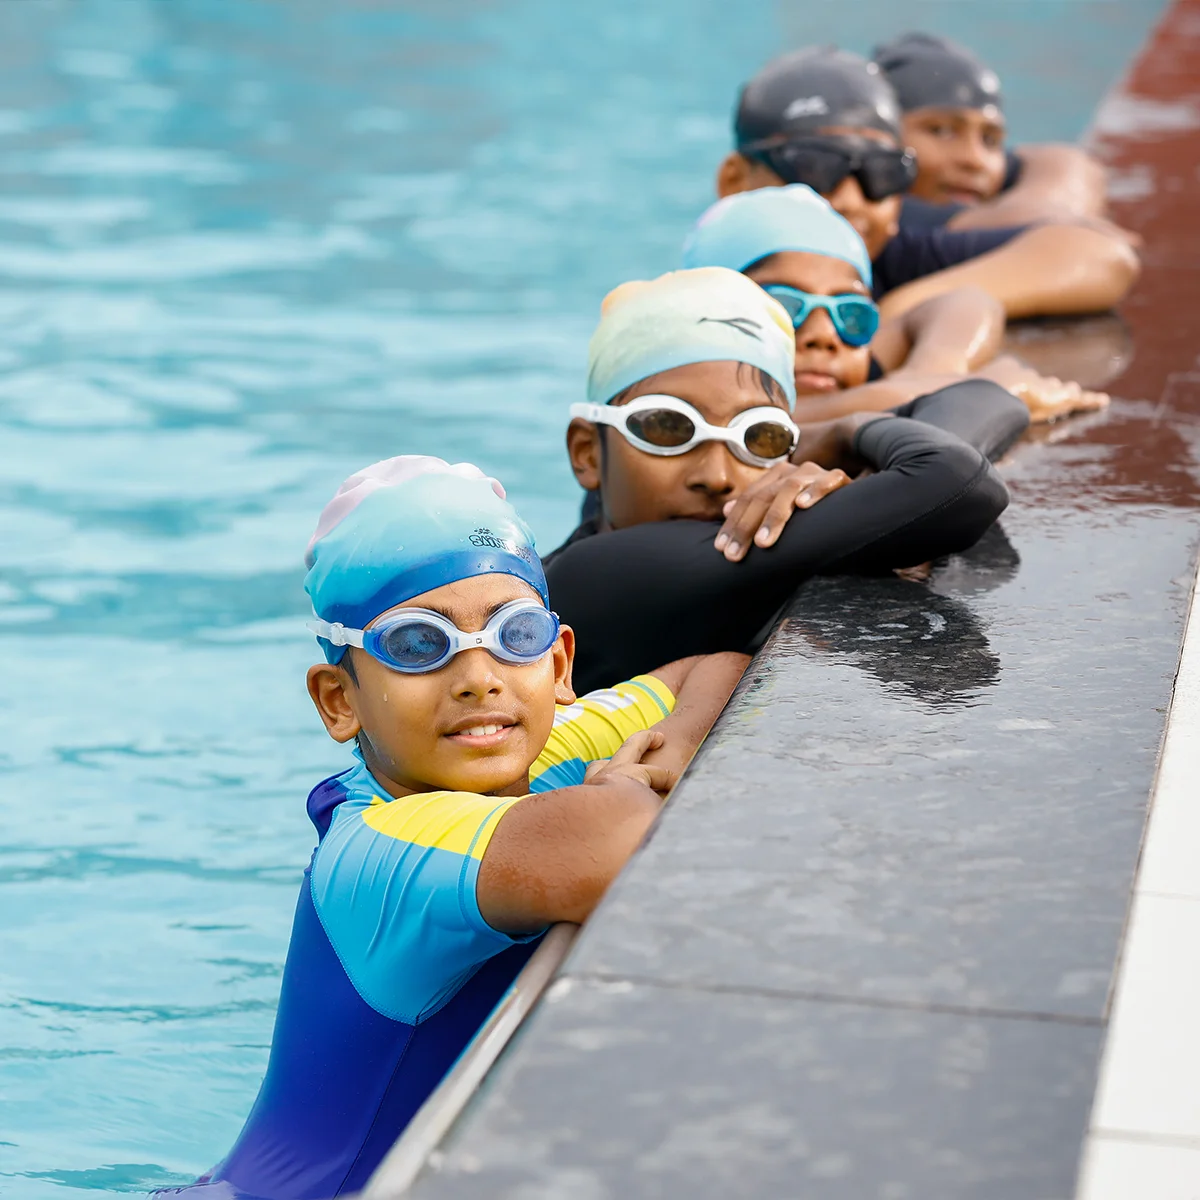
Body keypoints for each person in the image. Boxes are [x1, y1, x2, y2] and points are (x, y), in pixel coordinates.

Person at [168, 456, 747, 1200]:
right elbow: (623, 847)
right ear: (339, 700)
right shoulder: (380, 846)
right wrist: (628, 786)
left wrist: (676, 741)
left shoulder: (534, 751)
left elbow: (718, 670)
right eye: (418, 645)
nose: (480, 677)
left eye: (516, 633)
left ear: (560, 664)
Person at [552, 267, 1018, 693]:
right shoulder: (592, 577)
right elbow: (956, 478)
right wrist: (845, 433)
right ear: (587, 452)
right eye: (667, 428)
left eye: (759, 435)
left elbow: (984, 399)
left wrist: (835, 439)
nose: (717, 476)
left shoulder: (650, 524)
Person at [714, 47, 1139, 320]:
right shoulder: (713, 297)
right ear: (734, 180)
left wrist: (902, 309)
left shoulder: (888, 253)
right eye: (815, 168)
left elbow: (1099, 254)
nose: (850, 199)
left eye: (883, 172)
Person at [681, 183, 1109, 423]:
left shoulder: (840, 365)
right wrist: (968, 392)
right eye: (783, 309)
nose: (824, 336)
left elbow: (966, 302)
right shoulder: (678, 397)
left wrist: (934, 370)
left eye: (851, 313)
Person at [873, 32, 1109, 232]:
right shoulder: (882, 221)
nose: (975, 160)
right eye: (941, 131)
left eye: (990, 140)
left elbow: (1070, 164)